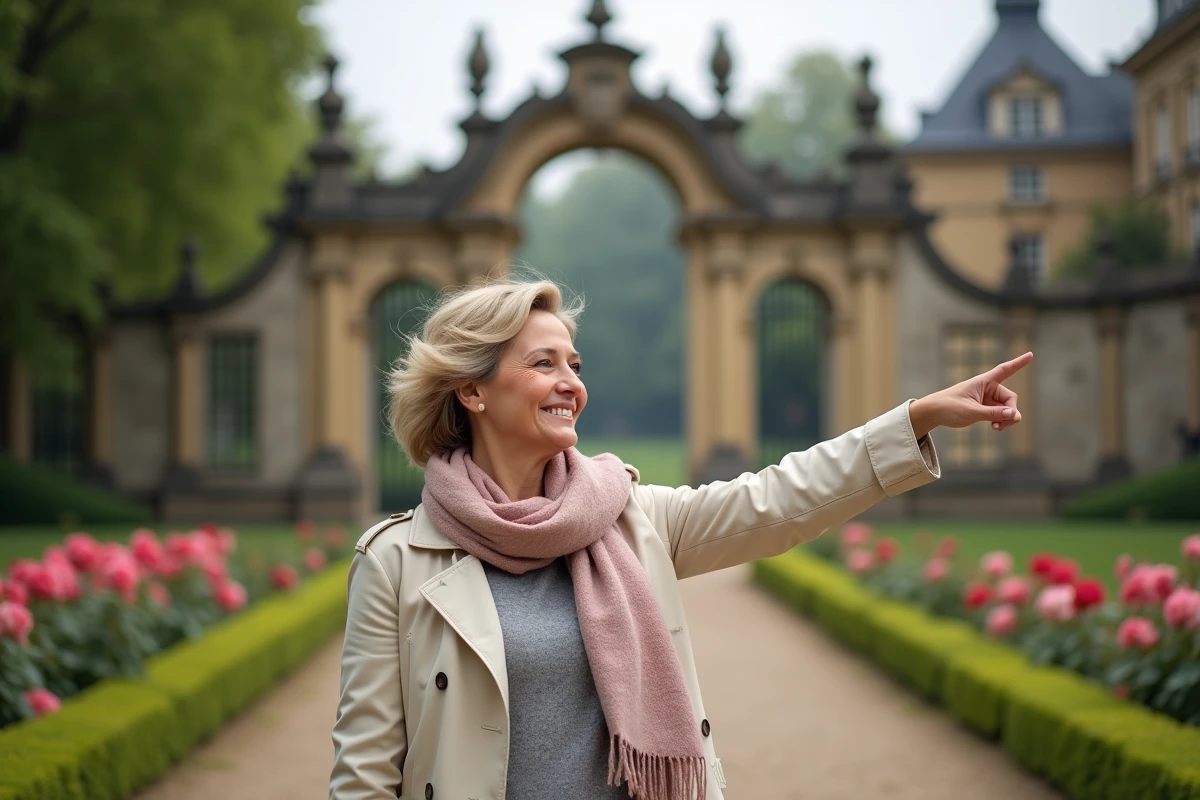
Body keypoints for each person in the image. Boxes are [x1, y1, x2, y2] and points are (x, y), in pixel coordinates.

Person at [328, 277, 1031, 800]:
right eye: (543, 364)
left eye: (575, 364)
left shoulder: (631, 517)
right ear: (471, 392)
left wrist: (915, 420)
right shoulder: (394, 560)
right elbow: (363, 775)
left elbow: (780, 500)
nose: (571, 382)